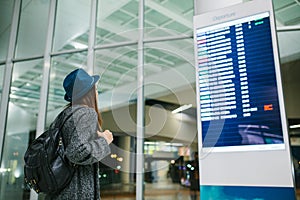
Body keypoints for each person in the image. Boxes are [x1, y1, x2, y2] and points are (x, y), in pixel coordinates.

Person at [45, 68, 113, 200]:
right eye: (95, 89)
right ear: (90, 92)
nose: (97, 93)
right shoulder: (86, 113)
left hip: (58, 192)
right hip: (75, 192)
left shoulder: (63, 116)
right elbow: (76, 152)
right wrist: (105, 140)